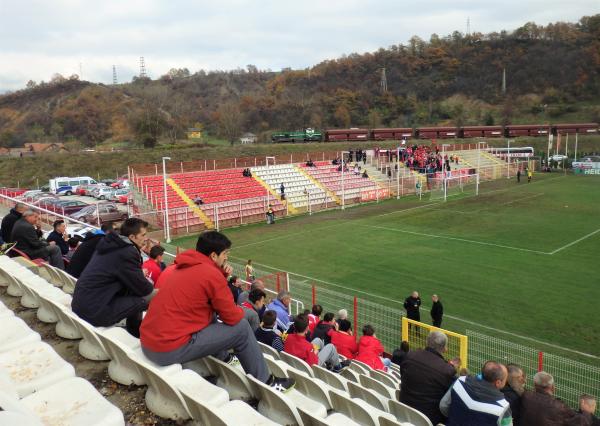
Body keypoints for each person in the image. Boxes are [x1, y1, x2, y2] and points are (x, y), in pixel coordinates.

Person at [140, 231, 294, 393]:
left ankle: (224, 357)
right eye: (225, 253)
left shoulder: (176, 267)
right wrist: (243, 309)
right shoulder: (210, 275)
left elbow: (203, 293)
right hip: (166, 349)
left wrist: (220, 275)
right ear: (213, 255)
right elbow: (232, 317)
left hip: (150, 341)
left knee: (209, 311)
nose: (226, 257)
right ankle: (267, 383)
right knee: (242, 328)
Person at [72, 218, 156, 337]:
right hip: (95, 312)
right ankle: (148, 333)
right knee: (156, 294)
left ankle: (135, 330)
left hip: (82, 305)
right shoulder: (126, 252)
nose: (146, 238)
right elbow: (145, 289)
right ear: (132, 237)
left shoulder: (111, 245)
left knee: (133, 290)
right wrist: (140, 275)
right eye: (143, 235)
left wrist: (137, 275)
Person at [400, 331, 459, 425]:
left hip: (402, 412)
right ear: (445, 349)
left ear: (427, 342)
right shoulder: (447, 371)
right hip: (429, 419)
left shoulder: (410, 355)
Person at [440, 361, 512, 425]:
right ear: (498, 383)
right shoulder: (503, 408)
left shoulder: (460, 381)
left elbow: (443, 406)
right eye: (505, 379)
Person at [520, 371, 590, 426]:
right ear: (553, 387)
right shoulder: (558, 406)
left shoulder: (525, 396)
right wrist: (586, 412)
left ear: (534, 385)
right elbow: (581, 422)